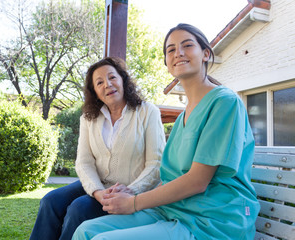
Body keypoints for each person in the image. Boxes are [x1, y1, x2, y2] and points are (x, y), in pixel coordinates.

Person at [72, 23, 260, 240]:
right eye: (171, 49)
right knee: (85, 231)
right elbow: (169, 177)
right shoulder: (183, 117)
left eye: (187, 45)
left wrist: (133, 203)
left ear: (206, 54)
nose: (178, 53)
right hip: (174, 209)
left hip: (213, 219)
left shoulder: (224, 103)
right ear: (167, 64)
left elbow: (197, 181)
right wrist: (129, 193)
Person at [29, 57, 166, 240]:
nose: (107, 84)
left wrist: (130, 192)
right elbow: (84, 162)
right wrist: (97, 191)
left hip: (130, 189)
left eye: (112, 77)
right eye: (99, 82)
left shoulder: (148, 112)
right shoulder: (89, 118)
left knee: (79, 208)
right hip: (99, 185)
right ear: (94, 91)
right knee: (50, 201)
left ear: (123, 80)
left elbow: (156, 163)